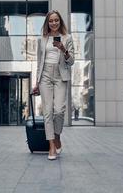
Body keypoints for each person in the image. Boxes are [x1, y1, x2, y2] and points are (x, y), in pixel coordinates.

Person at [33, 10, 74, 160]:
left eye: (56, 20)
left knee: (59, 110)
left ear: (60, 21)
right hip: (45, 75)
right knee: (48, 112)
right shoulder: (42, 39)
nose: (54, 23)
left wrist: (63, 49)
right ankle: (51, 146)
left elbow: (72, 61)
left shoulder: (67, 38)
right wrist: (37, 82)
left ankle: (56, 135)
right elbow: (39, 62)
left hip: (60, 75)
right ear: (47, 23)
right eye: (51, 21)